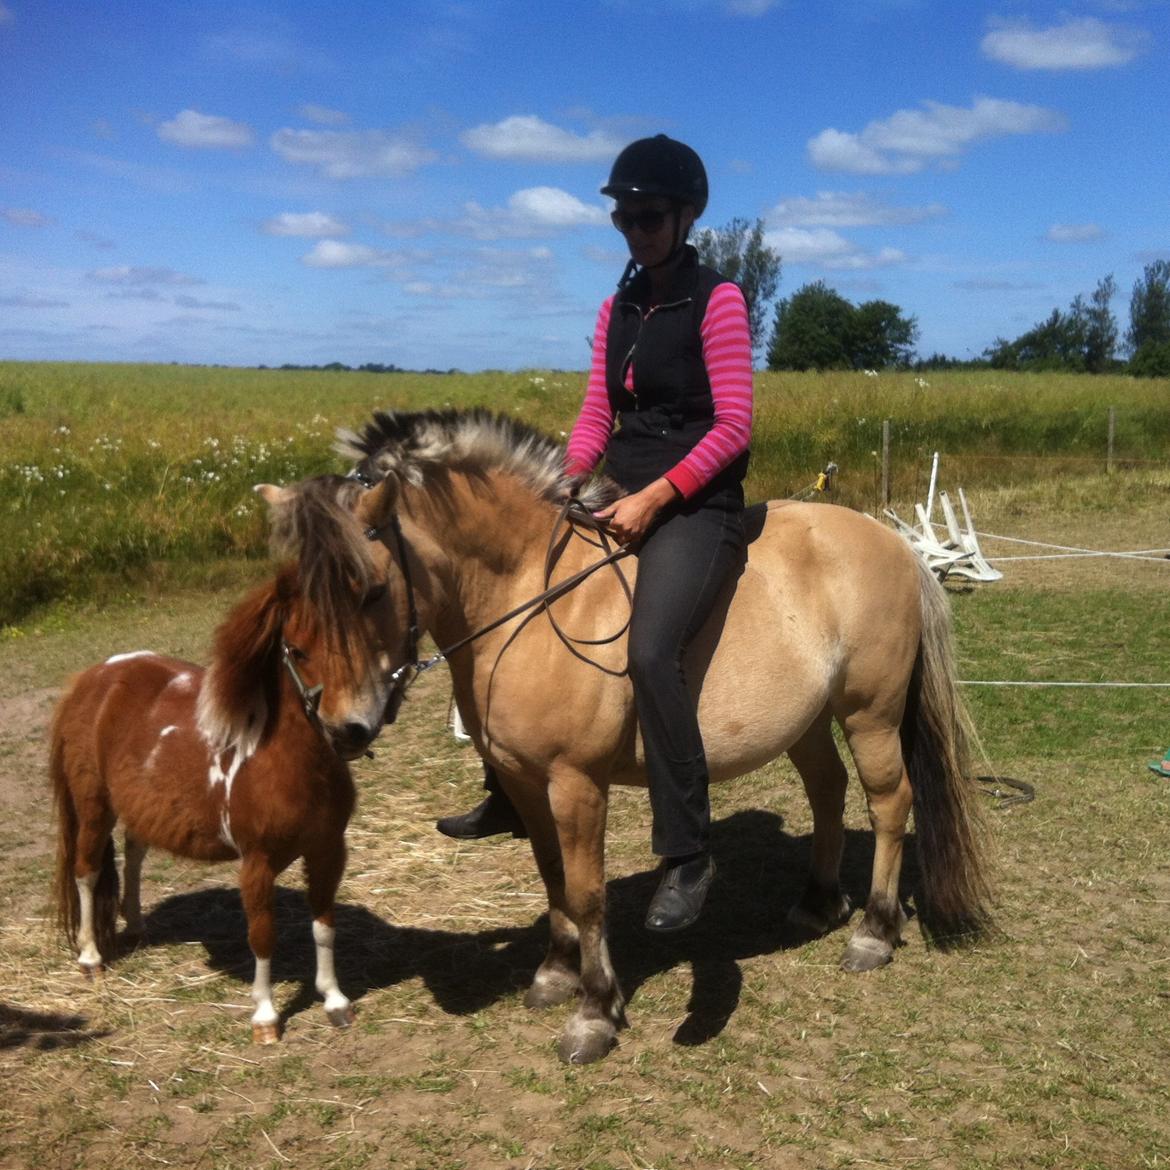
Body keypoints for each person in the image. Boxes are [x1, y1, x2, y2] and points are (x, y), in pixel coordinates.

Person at [437, 134, 754, 932]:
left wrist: (657, 497)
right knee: (508, 614)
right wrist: (569, 481)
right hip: (616, 493)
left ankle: (687, 853)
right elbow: (595, 416)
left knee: (649, 649)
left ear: (685, 217)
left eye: (649, 216)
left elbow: (735, 426)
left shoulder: (718, 300)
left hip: (695, 502)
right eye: (624, 218)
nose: (636, 230)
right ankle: (506, 786)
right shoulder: (616, 310)